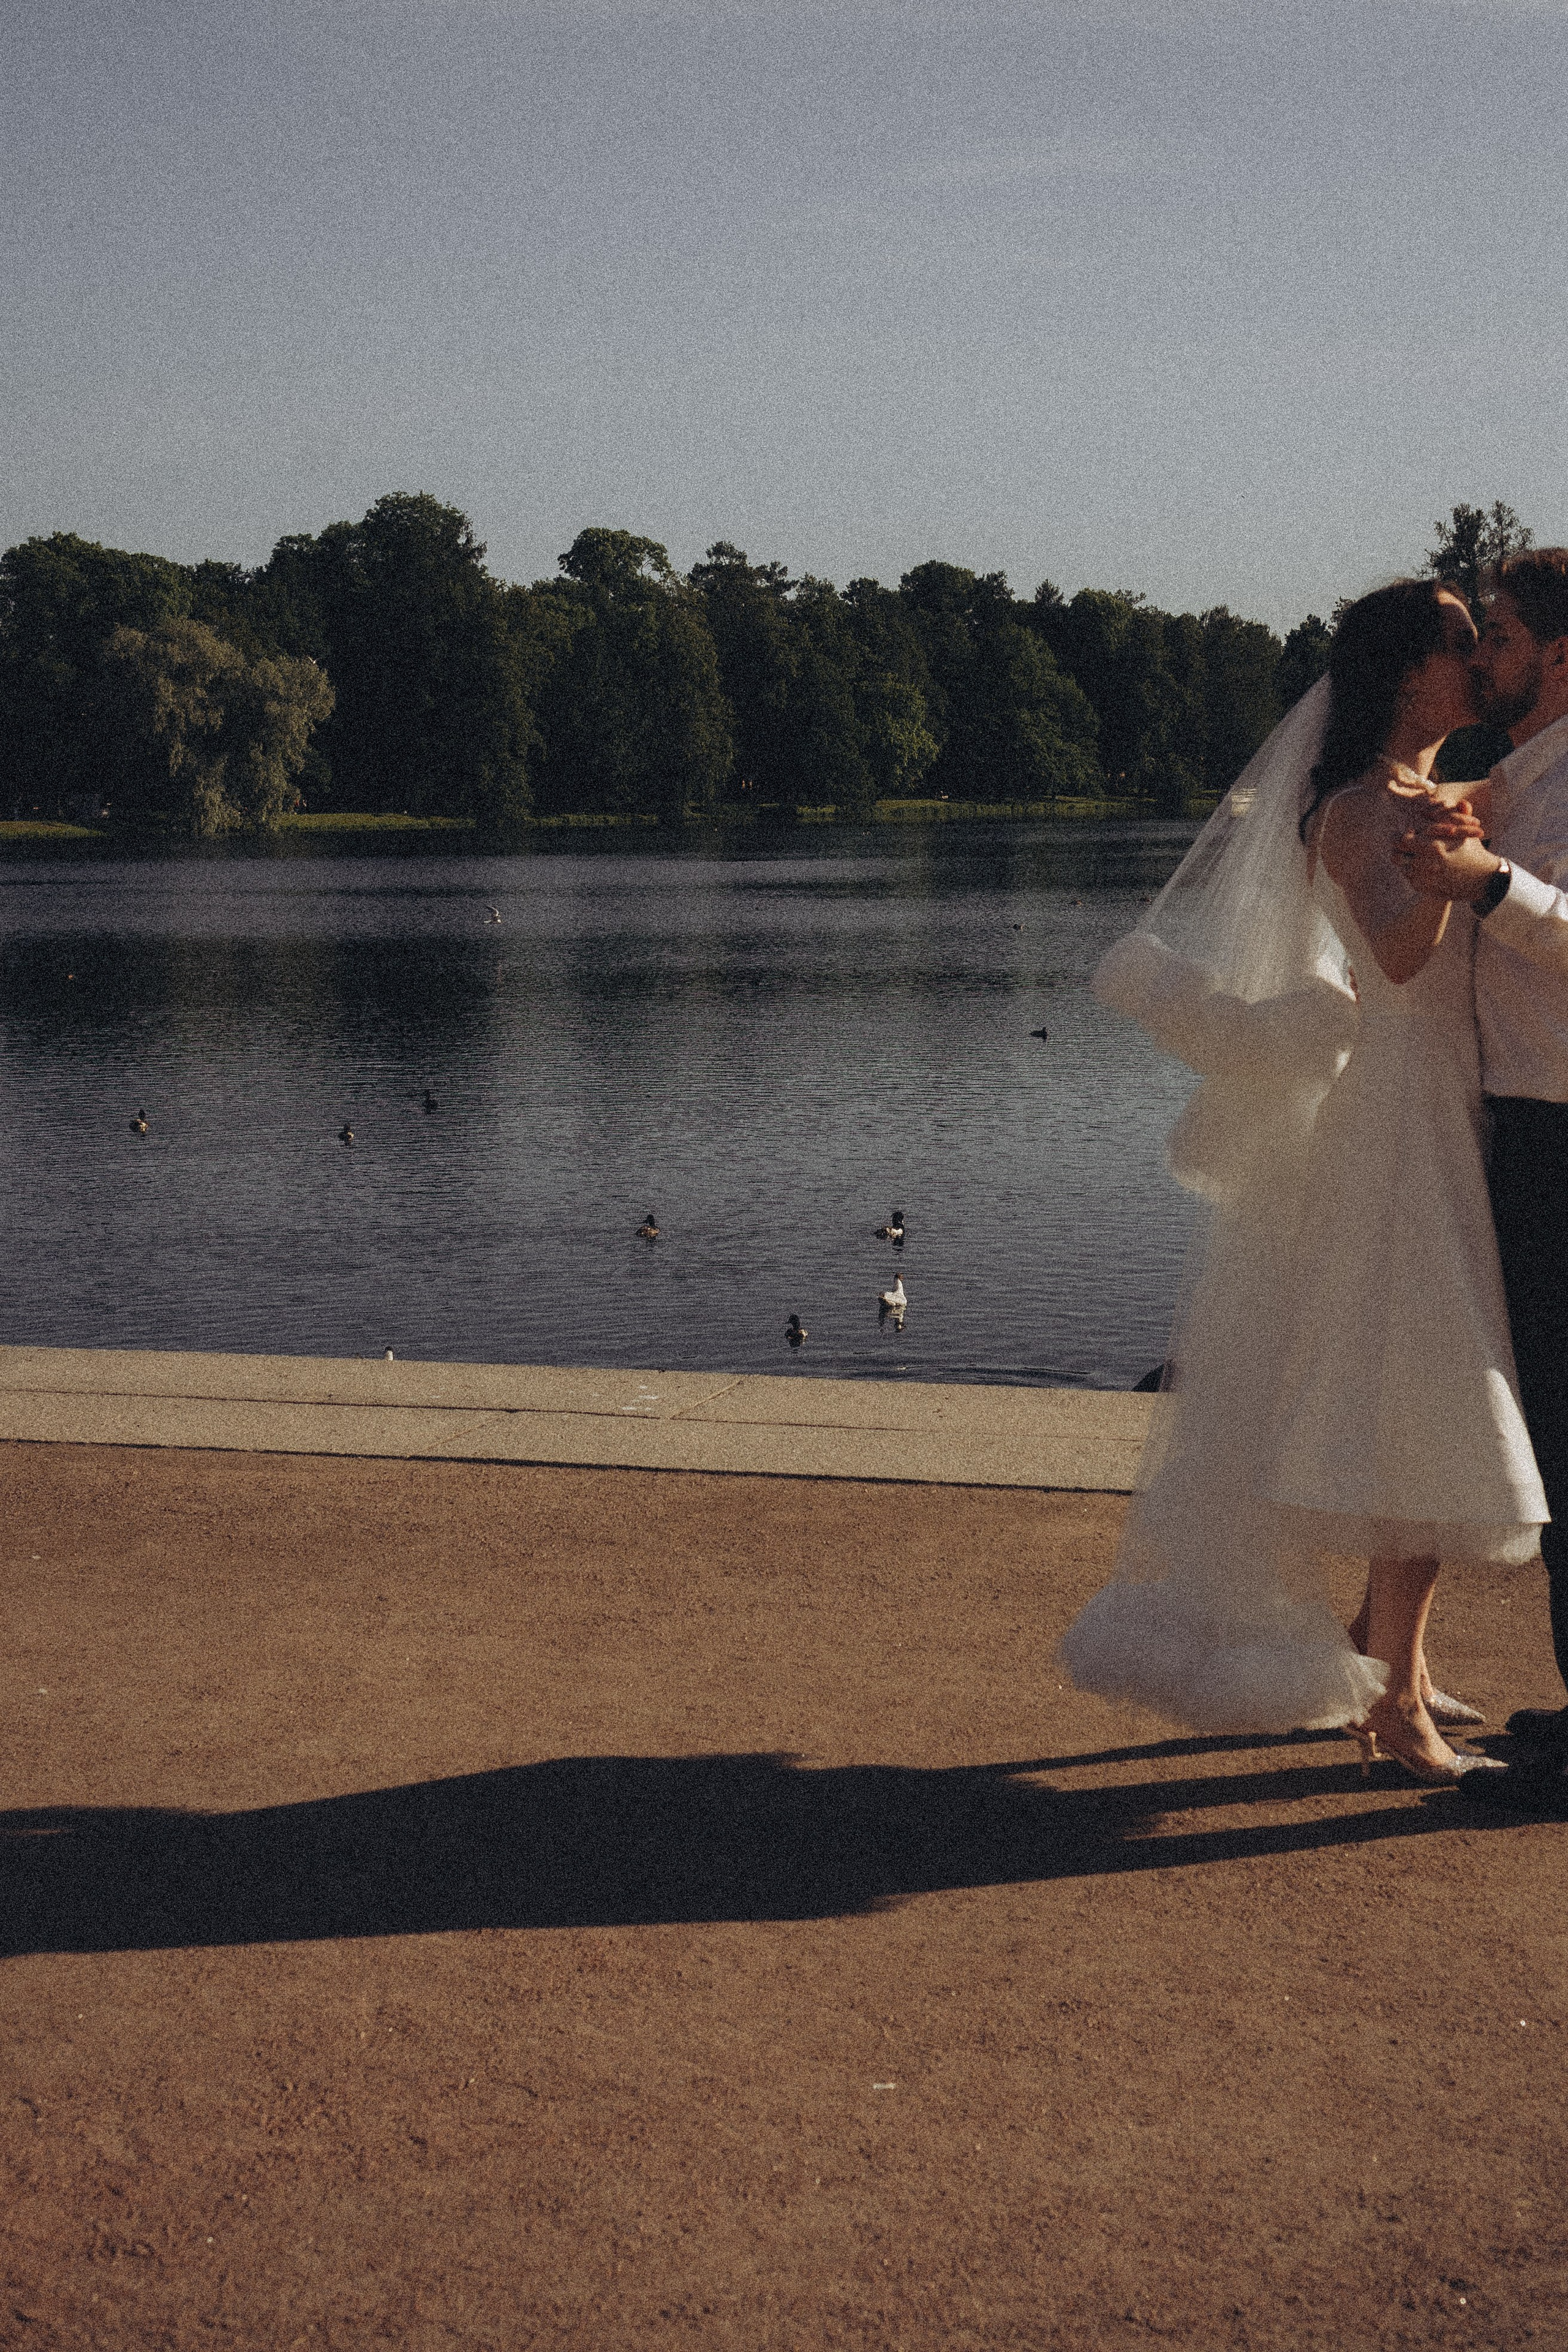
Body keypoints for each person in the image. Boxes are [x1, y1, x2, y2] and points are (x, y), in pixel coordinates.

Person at [1059, 579, 1545, 1783]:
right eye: (1458, 644)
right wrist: (1451, 871)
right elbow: (1397, 957)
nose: (1477, 661)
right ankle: (1393, 1704)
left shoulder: (1423, 796)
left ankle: (1393, 1663)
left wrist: (1459, 836)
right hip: (1395, 1121)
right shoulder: (1355, 809)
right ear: (1406, 674)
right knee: (1431, 1406)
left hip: (1446, 1108)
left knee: (1427, 1396)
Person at [1398, 549, 1568, 1787]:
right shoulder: (1520, 775)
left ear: (1559, 654)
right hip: (1523, 1130)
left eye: (1498, 635)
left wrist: (1490, 885)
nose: (1482, 654)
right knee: (1555, 1436)